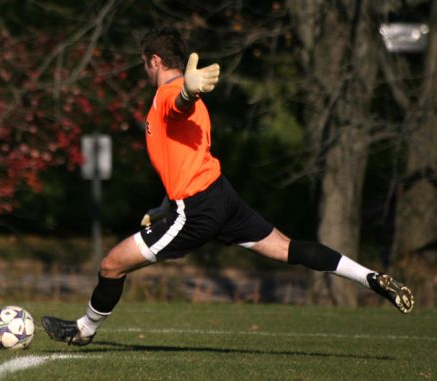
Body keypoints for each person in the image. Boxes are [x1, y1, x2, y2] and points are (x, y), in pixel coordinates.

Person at [42, 27, 414, 346]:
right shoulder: (195, 107)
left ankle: (84, 330)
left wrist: (187, 90)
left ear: (154, 60)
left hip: (197, 209)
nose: (145, 70)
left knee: (111, 265)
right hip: (220, 195)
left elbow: (180, 103)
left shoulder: (169, 94)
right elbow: (186, 158)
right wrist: (164, 205)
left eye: (144, 63)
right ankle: (369, 277)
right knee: (288, 248)